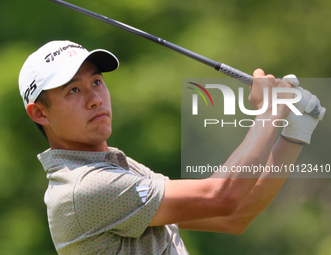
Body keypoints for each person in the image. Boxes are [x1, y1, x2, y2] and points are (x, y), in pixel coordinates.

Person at [18, 40, 322, 254]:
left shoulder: (116, 168)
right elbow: (222, 196)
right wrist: (270, 113)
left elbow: (234, 215)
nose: (95, 98)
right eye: (73, 89)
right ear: (39, 113)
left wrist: (293, 135)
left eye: (96, 82)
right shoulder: (85, 188)